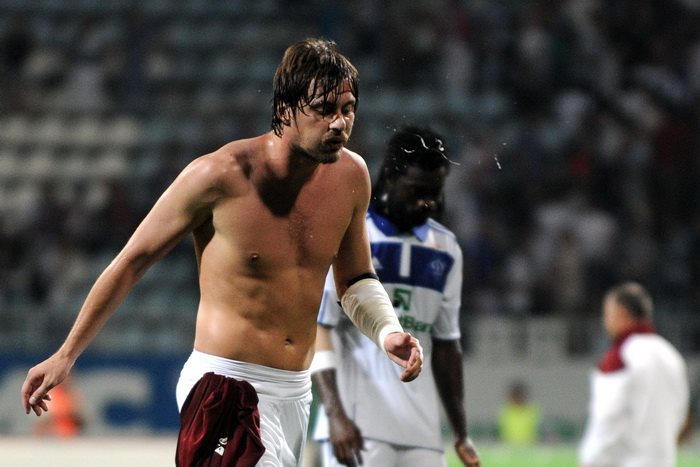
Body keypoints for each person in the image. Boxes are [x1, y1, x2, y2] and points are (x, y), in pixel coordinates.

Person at [21, 38, 423, 467]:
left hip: (295, 395)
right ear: (285, 109)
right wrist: (67, 354)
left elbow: (355, 279)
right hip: (226, 388)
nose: (339, 123)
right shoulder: (218, 176)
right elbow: (132, 261)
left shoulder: (351, 177)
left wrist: (387, 332)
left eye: (348, 109)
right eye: (324, 109)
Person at [310, 126, 480, 467]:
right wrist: (335, 416)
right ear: (389, 178)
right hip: (358, 428)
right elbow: (321, 328)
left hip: (422, 433)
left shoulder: (446, 249)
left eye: (434, 192)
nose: (427, 201)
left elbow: (446, 345)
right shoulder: (353, 236)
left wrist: (461, 432)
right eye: (417, 190)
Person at [579, 281, 690, 467]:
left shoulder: (620, 357)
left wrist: (591, 460)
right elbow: (681, 412)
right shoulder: (671, 355)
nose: (605, 321)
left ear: (621, 313)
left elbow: (607, 417)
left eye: (607, 314)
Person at [498, 380, 540, 447]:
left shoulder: (534, 411)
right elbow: (501, 434)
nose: (517, 398)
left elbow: (540, 433)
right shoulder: (505, 412)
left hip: (531, 447)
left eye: (518, 396)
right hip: (509, 447)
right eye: (514, 396)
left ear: (524, 396)